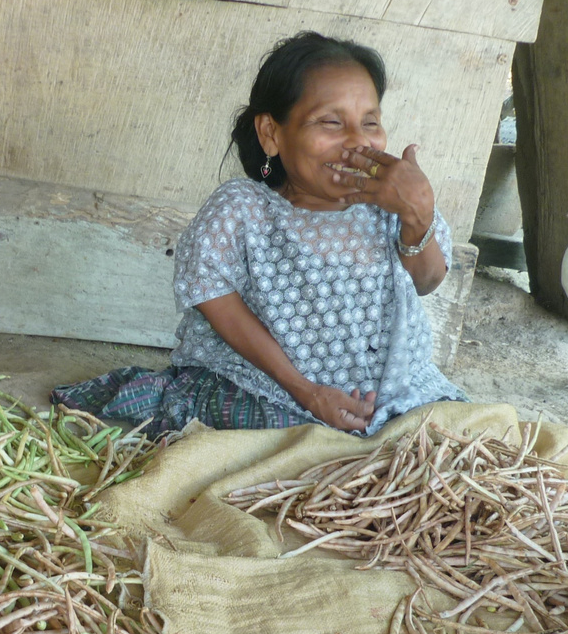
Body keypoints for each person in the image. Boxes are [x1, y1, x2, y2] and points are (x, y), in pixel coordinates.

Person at [52, 31, 465, 438]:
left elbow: (427, 281)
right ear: (271, 134)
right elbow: (212, 292)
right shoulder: (245, 209)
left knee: (454, 439)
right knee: (280, 439)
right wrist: (306, 392)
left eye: (370, 122)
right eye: (331, 122)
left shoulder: (390, 206)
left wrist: (418, 215)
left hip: (400, 396)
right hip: (271, 390)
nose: (358, 141)